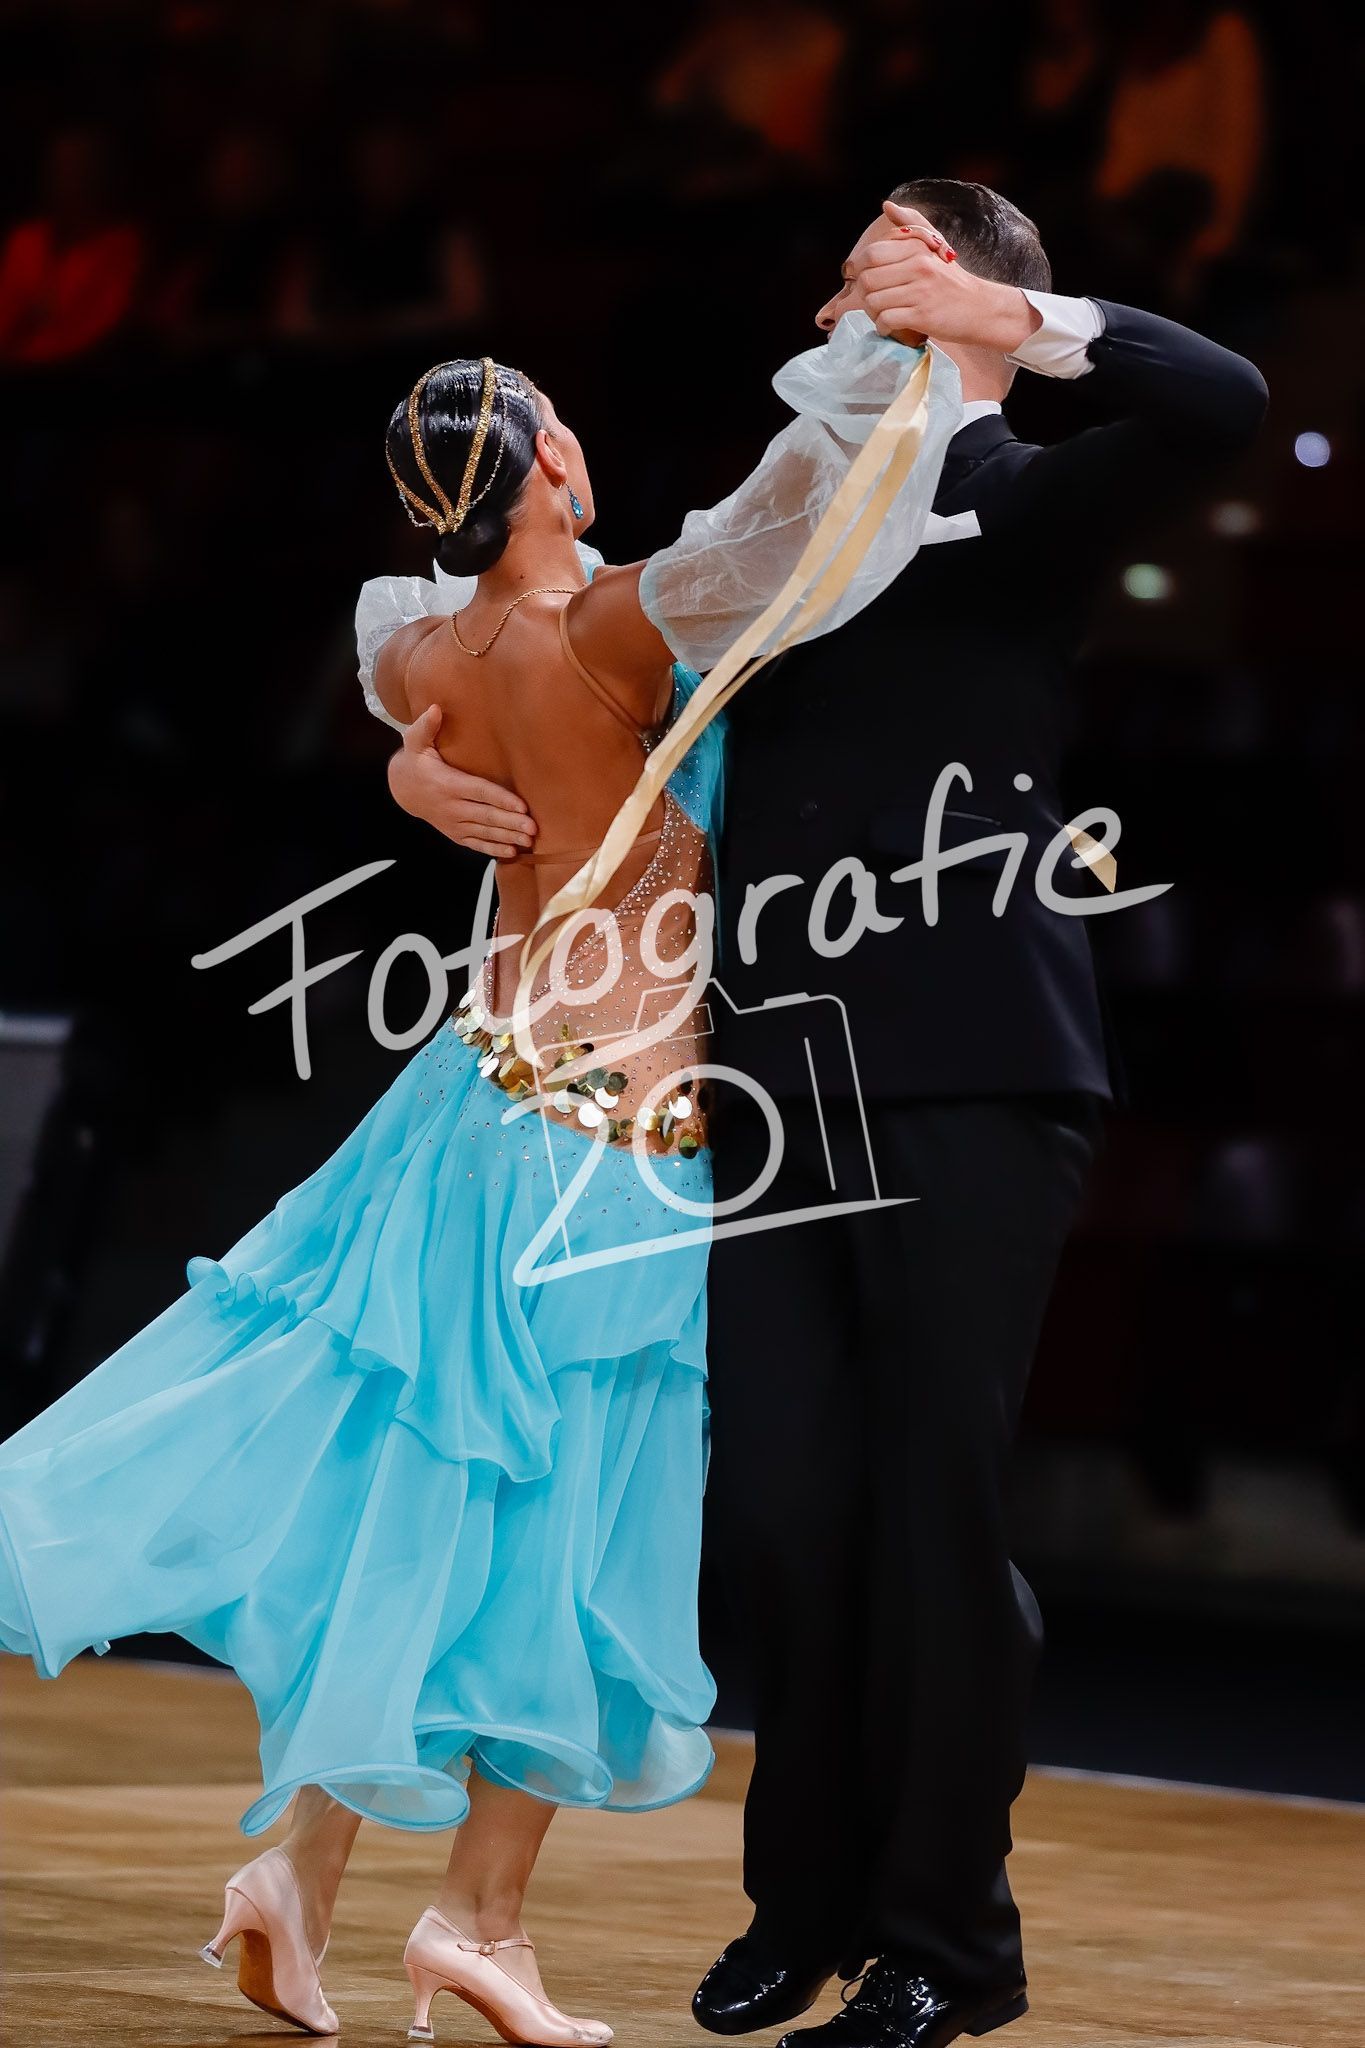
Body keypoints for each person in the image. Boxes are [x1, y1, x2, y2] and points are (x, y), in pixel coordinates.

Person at [0, 224, 962, 2042]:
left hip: (465, 1108)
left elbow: (398, 658)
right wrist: (898, 350)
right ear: (550, 471)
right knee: (566, 1534)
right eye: (558, 432)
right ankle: (481, 1924)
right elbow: (798, 523)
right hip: (610, 1135)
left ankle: (298, 1878)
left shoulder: (429, 650)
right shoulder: (613, 625)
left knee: (425, 1496)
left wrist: (408, 763)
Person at [388, 181, 1268, 2048]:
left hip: (971, 1062)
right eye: (853, 263)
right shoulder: (774, 518)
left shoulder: (1022, 492)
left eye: (895, 257)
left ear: (965, 295)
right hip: (767, 1082)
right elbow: (545, 649)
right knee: (785, 1509)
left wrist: (1003, 322)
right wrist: (416, 754)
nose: (847, 287)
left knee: (931, 1508)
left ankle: (947, 1946)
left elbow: (1225, 397)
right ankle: (803, 1906)